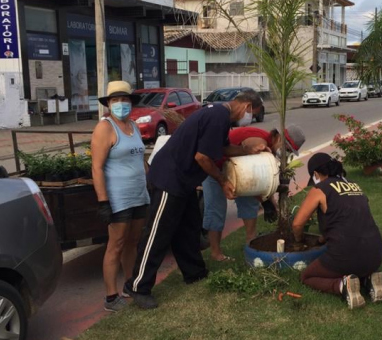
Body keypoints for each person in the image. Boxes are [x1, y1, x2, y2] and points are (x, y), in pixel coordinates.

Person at [123, 92, 266, 309]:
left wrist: (245, 150)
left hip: (185, 181)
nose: (250, 118)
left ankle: (194, 273)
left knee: (188, 227)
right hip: (169, 178)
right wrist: (222, 180)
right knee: (158, 233)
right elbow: (203, 157)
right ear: (246, 106)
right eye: (252, 114)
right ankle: (138, 286)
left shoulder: (221, 116)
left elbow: (220, 149)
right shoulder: (218, 116)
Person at [292, 153, 382, 309]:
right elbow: (349, 219)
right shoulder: (355, 186)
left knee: (307, 276)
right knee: (356, 262)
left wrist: (298, 240)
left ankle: (342, 285)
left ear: (316, 174)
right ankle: (368, 279)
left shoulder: (320, 189)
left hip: (346, 254)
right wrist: (323, 239)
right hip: (376, 254)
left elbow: (297, 224)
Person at [202, 125, 307, 261]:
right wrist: (266, 201)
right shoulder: (260, 141)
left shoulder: (270, 149)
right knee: (216, 210)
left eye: (289, 151)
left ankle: (250, 243)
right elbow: (253, 168)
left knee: (250, 203)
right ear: (279, 138)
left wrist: (271, 203)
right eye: (286, 148)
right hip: (215, 168)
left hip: (239, 171)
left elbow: (256, 182)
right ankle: (216, 254)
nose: (286, 152)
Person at [91, 81, 149, 312]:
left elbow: (140, 159)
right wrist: (103, 201)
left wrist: (151, 176)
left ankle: (129, 285)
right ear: (108, 104)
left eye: (125, 100)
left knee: (132, 242)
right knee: (116, 244)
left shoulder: (133, 126)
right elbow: (97, 167)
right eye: (115, 100)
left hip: (138, 194)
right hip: (118, 198)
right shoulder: (105, 128)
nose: (121, 104)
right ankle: (111, 296)